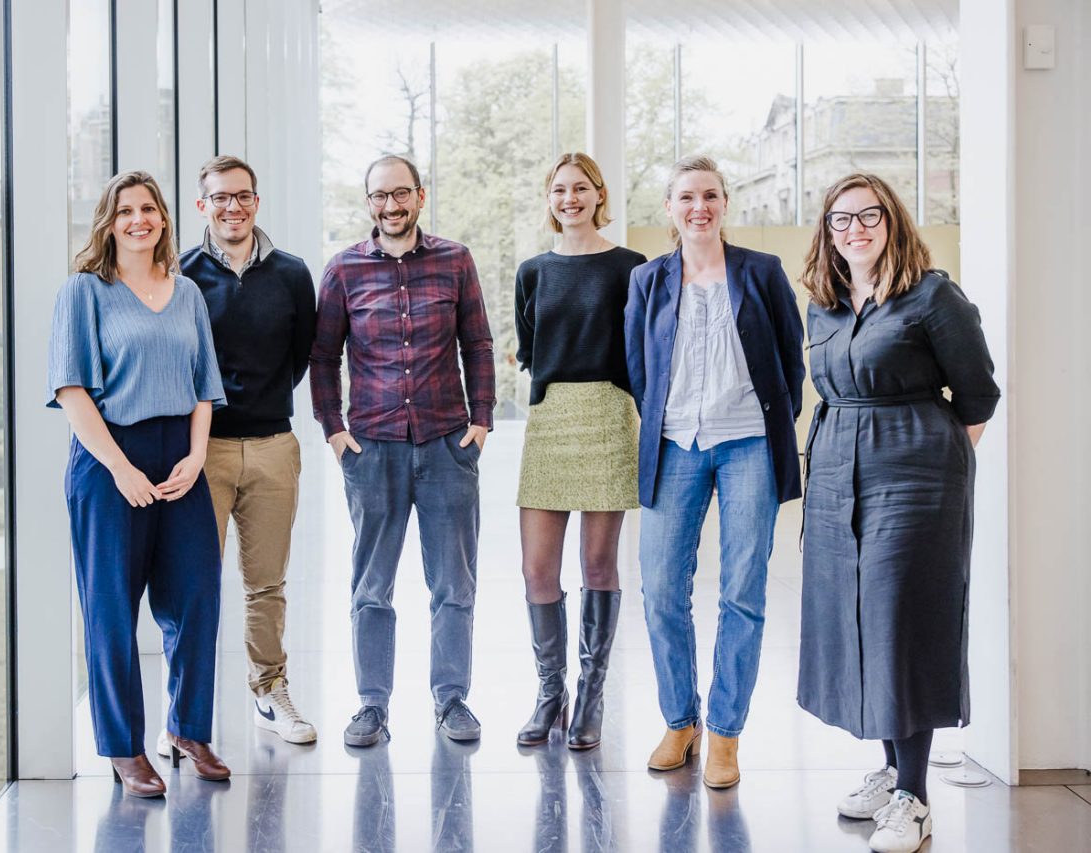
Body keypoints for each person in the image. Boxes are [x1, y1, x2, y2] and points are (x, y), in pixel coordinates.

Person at [798, 173, 998, 853]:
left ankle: (914, 796)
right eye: (839, 219)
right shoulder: (823, 306)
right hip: (834, 476)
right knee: (860, 622)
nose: (853, 229)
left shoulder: (933, 295)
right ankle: (891, 771)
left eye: (868, 215)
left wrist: (930, 464)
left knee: (902, 619)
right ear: (827, 233)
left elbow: (977, 396)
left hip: (913, 478)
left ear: (893, 221)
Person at [48, 170, 230, 797]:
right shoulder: (85, 292)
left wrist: (196, 455)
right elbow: (71, 390)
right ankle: (124, 748)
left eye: (148, 208)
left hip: (180, 456)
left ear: (163, 219)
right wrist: (121, 468)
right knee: (111, 610)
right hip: (108, 461)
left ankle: (189, 727)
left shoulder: (186, 293)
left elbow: (206, 384)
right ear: (108, 221)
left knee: (197, 596)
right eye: (125, 210)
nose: (138, 219)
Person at [625, 156, 805, 788]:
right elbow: (639, 370)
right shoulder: (648, 280)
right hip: (675, 445)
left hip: (749, 444)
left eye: (709, 196)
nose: (698, 207)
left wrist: (774, 419)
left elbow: (790, 361)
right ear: (670, 209)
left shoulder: (761, 272)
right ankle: (681, 722)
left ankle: (726, 733)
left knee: (742, 591)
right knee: (661, 590)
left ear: (725, 203)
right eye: (685, 197)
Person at [309, 154, 496, 747]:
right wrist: (334, 431)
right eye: (379, 197)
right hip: (373, 449)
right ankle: (372, 706)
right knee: (372, 588)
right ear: (369, 204)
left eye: (400, 194)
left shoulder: (455, 260)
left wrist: (482, 421)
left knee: (453, 586)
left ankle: (452, 701)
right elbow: (322, 358)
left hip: (446, 445)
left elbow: (479, 344)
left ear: (420, 195)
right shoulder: (343, 271)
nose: (390, 206)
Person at [174, 155, 318, 745]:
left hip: (272, 447)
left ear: (256, 202)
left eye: (243, 196)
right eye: (221, 197)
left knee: (266, 584)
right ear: (202, 205)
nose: (233, 207)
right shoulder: (179, 276)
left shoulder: (292, 273)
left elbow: (301, 357)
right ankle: (186, 714)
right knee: (193, 583)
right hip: (200, 453)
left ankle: (270, 691)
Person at [512, 152, 646, 750]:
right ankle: (550, 694)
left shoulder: (631, 267)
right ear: (550, 198)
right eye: (559, 189)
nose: (570, 198)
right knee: (537, 569)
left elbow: (643, 348)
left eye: (581, 188)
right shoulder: (532, 271)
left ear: (599, 194)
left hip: (608, 414)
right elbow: (529, 346)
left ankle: (591, 695)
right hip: (550, 418)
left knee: (598, 566)